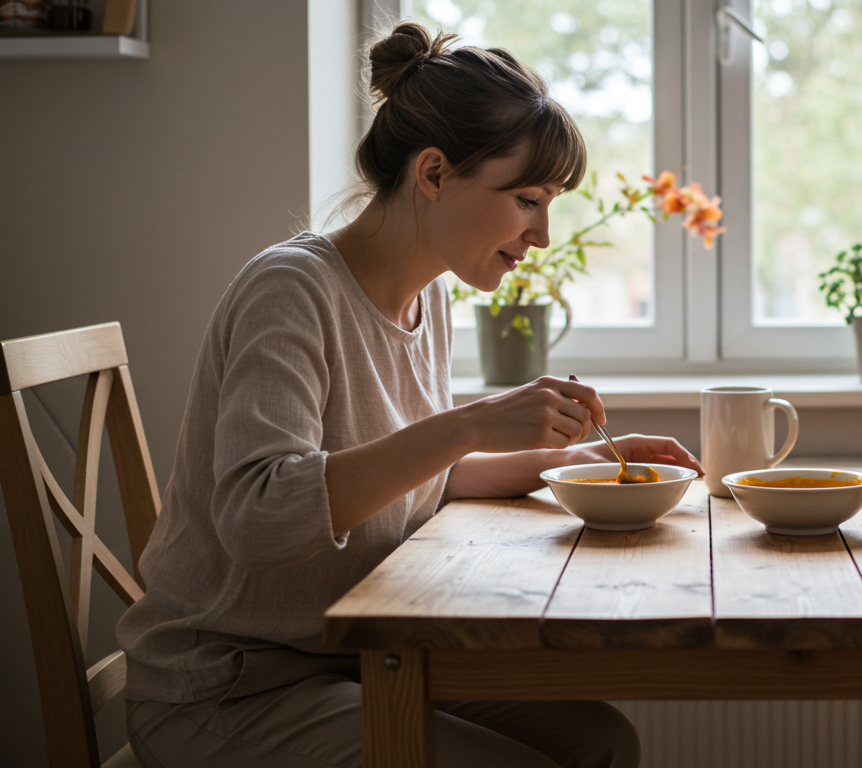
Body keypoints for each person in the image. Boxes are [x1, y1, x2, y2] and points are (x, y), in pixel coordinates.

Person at [117, 22, 698, 768]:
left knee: (604, 741)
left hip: (353, 655)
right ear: (433, 173)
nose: (543, 234)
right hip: (227, 686)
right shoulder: (291, 290)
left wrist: (580, 465)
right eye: (527, 198)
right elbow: (259, 519)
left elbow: (413, 480)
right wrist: (469, 425)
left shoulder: (430, 300)